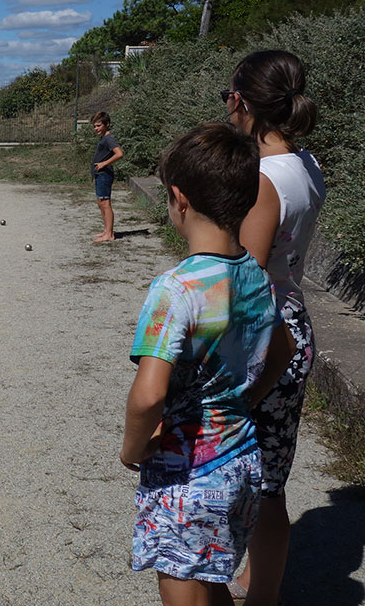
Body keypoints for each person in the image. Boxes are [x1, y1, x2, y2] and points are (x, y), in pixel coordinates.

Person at [121, 123, 291, 606]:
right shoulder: (256, 275)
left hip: (188, 474)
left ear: (178, 198)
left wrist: (133, 447)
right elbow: (283, 351)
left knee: (182, 585)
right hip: (241, 461)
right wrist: (244, 403)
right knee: (212, 578)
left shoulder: (177, 290)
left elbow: (149, 394)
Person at [224, 50, 325, 606]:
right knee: (271, 482)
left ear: (241, 101)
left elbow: (250, 277)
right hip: (297, 324)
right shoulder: (306, 165)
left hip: (267, 339)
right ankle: (254, 582)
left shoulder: (264, 178)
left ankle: (259, 594)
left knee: (258, 488)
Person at [90, 111, 124, 242]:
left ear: (107, 124)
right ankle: (106, 230)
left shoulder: (109, 138)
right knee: (101, 203)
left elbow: (119, 154)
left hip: (105, 174)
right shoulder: (103, 138)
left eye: (98, 125)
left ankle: (109, 234)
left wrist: (104, 163)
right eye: (94, 126)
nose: (96, 129)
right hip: (100, 174)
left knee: (105, 203)